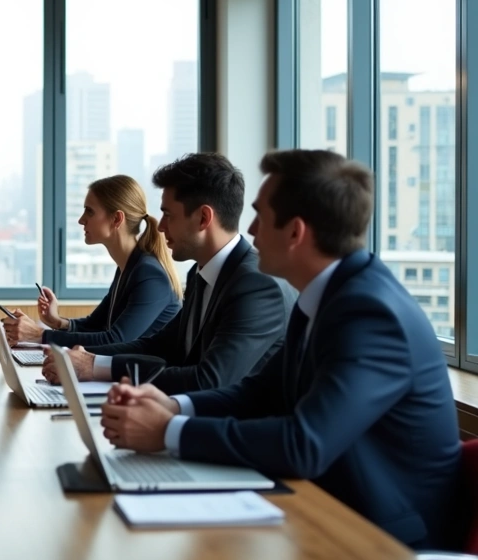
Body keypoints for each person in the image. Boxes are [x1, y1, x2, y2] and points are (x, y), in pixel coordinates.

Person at [100, 150, 461, 550]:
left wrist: (167, 432)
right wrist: (176, 407)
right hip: (324, 508)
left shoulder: (370, 313)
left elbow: (304, 444)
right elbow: (257, 391)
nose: (250, 229)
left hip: (384, 541)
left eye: (260, 214)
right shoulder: (328, 297)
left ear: (296, 232)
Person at [42, 153, 293, 394]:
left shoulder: (256, 285)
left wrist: (94, 367)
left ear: (204, 218)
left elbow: (209, 380)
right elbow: (159, 346)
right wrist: (89, 360)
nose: (160, 226)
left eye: (168, 215)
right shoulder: (201, 274)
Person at [3, 175, 181, 348]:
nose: (81, 220)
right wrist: (57, 321)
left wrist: (39, 335)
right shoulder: (127, 268)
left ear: (117, 219)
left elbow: (116, 339)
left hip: (145, 377)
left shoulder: (149, 274)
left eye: (90, 211)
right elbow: (94, 325)